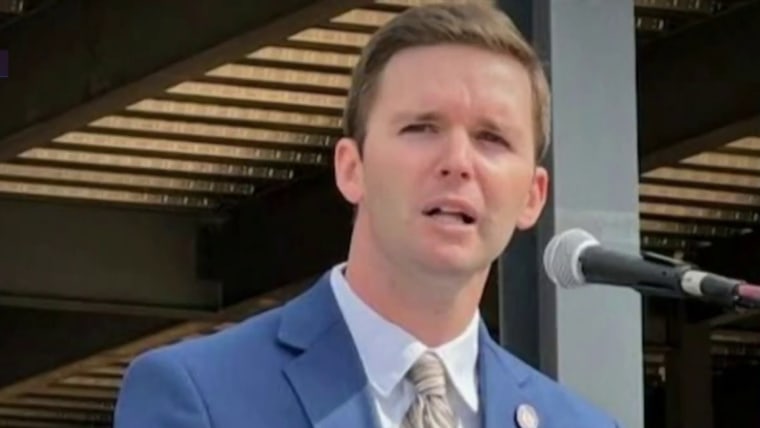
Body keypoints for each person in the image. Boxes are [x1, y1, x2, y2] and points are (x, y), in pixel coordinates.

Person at [114, 3, 621, 428]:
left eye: (492, 138)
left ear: (533, 196)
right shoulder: (200, 394)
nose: (457, 162)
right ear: (350, 169)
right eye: (421, 128)